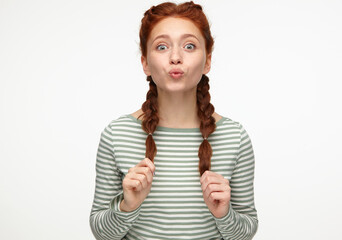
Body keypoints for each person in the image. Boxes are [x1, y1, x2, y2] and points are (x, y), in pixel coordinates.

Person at [89, 1, 258, 239]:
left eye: (189, 46)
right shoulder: (117, 134)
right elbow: (102, 233)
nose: (176, 57)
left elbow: (245, 233)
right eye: (161, 47)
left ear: (207, 60)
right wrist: (128, 206)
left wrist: (224, 214)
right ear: (145, 63)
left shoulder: (235, 137)